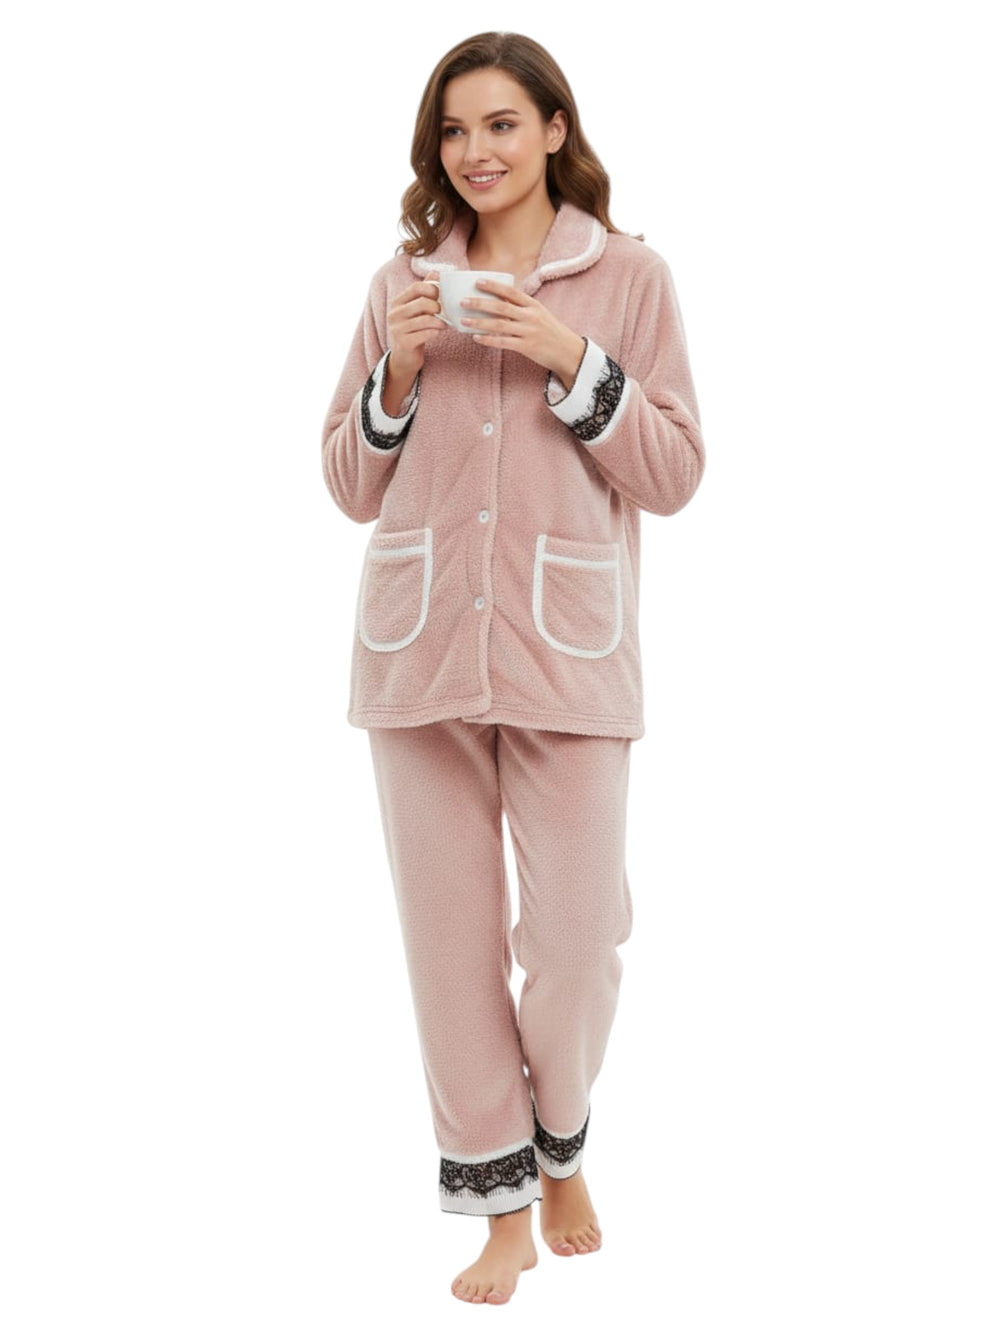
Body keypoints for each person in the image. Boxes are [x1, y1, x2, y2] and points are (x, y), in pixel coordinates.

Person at [320, 30, 705, 1305]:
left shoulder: (629, 277)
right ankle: (500, 1210)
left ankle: (563, 1145)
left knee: (579, 940)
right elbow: (347, 483)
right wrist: (396, 370)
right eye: (453, 130)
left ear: (553, 128)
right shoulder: (401, 283)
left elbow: (675, 473)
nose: (474, 151)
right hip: (419, 650)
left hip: (568, 652)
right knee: (450, 949)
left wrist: (565, 356)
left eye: (499, 124)